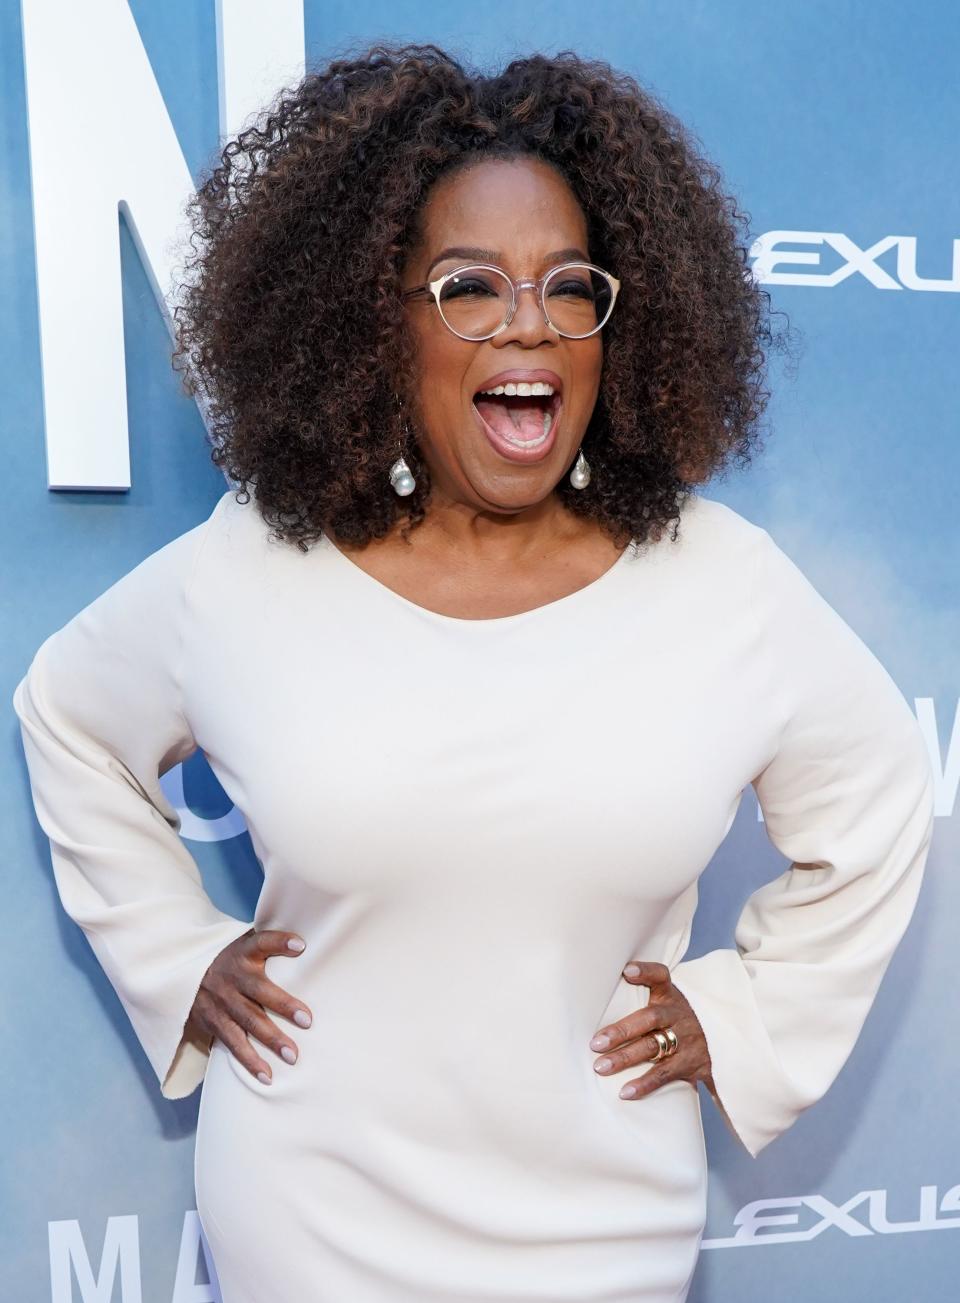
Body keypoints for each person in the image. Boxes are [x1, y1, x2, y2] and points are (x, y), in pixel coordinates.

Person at [12, 42, 935, 1303]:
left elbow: (883, 798)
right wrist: (178, 959)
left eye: (570, 286)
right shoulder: (250, 571)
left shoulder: (724, 585)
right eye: (467, 287)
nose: (528, 324)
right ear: (371, 323)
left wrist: (746, 1020)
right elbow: (68, 716)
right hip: (310, 1222)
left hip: (607, 1231)